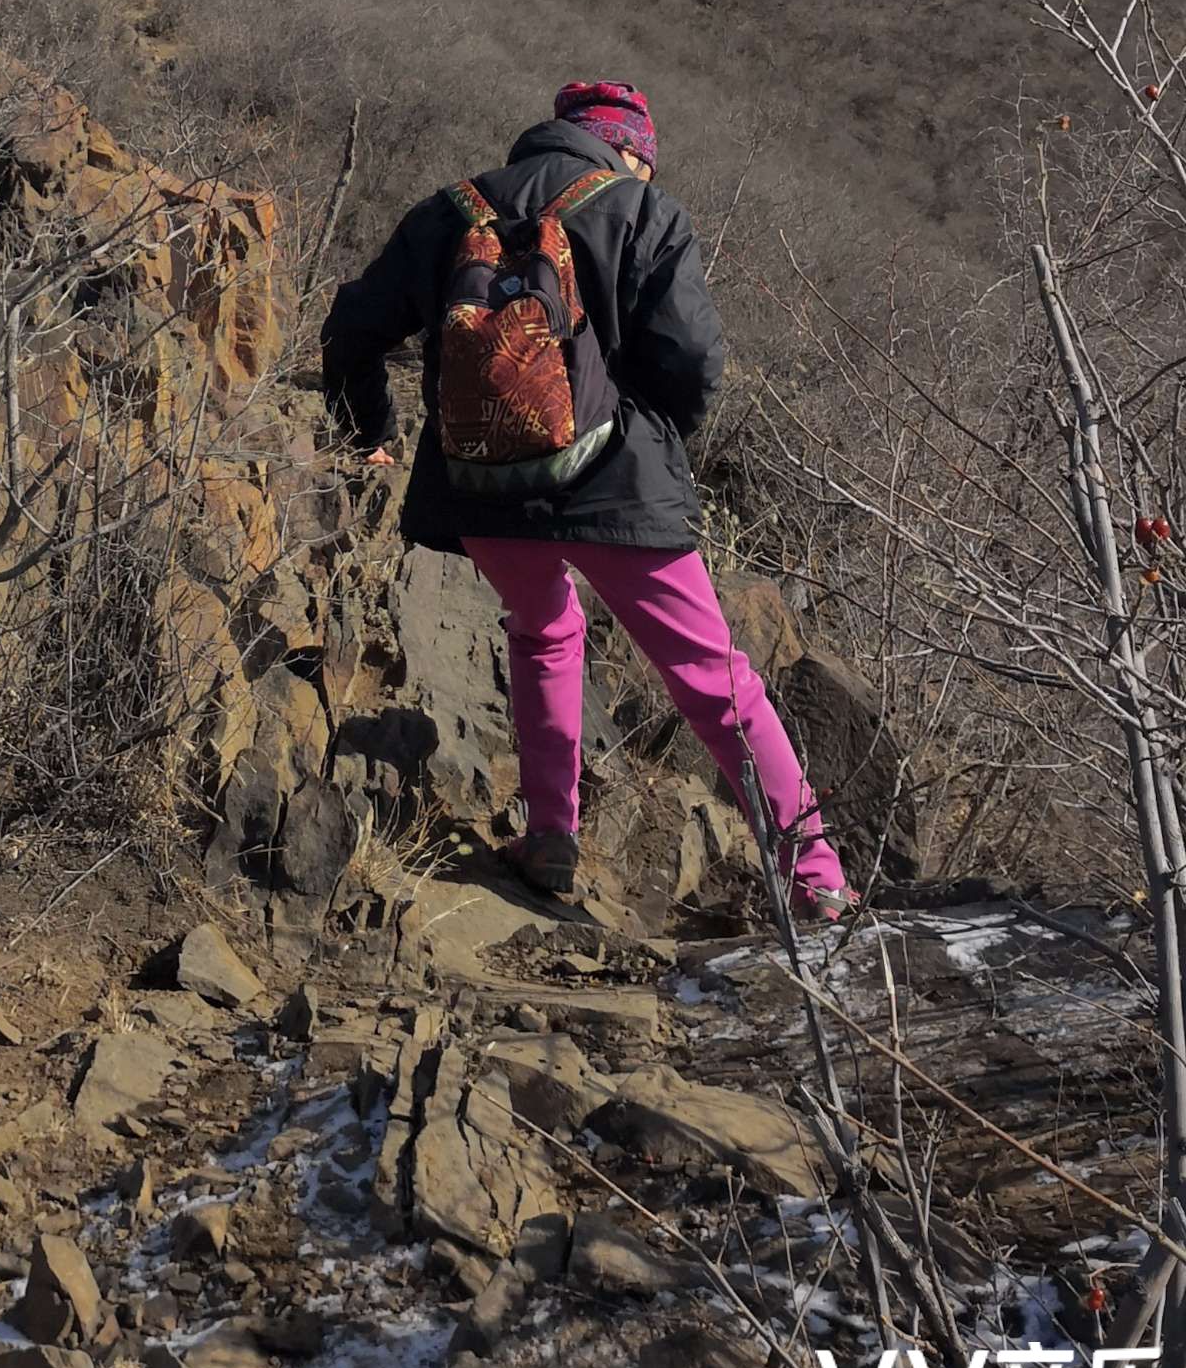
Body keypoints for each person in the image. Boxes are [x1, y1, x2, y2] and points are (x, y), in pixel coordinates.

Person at [321, 78, 854, 923]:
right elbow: (692, 362)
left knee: (543, 633)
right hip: (621, 486)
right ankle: (817, 878)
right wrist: (651, 439)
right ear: (630, 148)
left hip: (485, 486)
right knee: (715, 681)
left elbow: (351, 326)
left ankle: (549, 840)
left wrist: (370, 431)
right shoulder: (642, 211)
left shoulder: (449, 211)